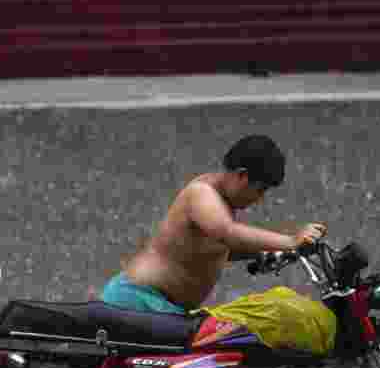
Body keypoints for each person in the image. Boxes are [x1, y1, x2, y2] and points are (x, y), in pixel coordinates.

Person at [101, 135, 327, 315]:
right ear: (241, 175)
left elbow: (209, 250)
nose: (259, 199)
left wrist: (267, 252)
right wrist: (290, 241)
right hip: (138, 301)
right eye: (260, 190)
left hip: (163, 308)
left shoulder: (222, 204)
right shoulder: (202, 194)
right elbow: (226, 233)